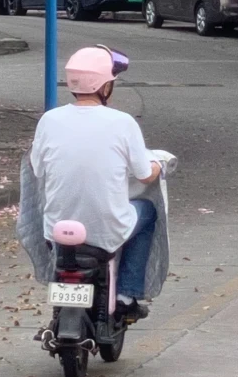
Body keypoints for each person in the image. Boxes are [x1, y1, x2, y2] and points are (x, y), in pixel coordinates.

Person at [29, 46, 161, 319]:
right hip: (106, 231)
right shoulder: (123, 123)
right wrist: (158, 164)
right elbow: (144, 175)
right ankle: (126, 294)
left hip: (56, 232)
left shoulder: (49, 120)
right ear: (105, 85)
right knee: (148, 212)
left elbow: (38, 170)